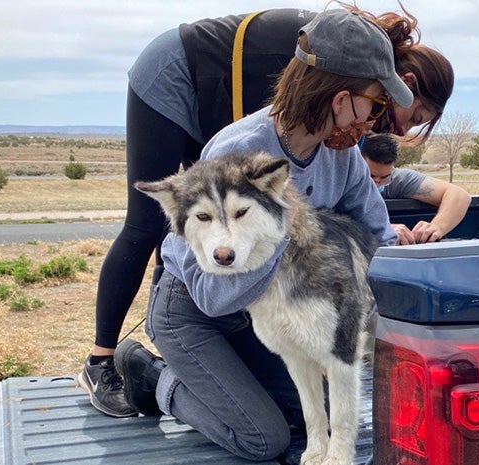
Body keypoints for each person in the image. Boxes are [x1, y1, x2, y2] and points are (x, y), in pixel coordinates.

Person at [79, 3, 455, 418]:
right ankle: (126, 367)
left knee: (312, 414)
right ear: (341, 97)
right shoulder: (244, 142)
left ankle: (223, 378)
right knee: (148, 222)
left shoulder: (340, 150)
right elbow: (216, 291)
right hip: (199, 297)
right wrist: (280, 229)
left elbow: (376, 233)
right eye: (378, 106)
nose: (382, 123)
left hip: (250, 303)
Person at [360, 132, 471, 244]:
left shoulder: (398, 179)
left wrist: (437, 227)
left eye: (384, 178)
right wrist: (384, 230)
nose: (377, 184)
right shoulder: (345, 181)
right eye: (371, 177)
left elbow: (459, 195)